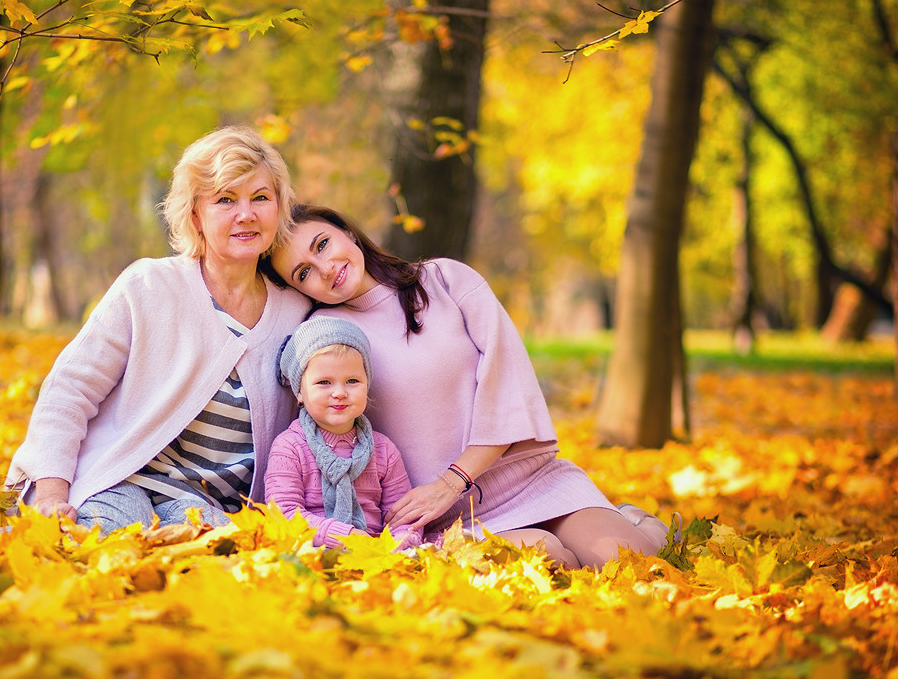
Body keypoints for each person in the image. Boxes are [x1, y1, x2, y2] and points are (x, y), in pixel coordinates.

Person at [262, 204, 672, 569]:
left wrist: (452, 480)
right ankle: (615, 524)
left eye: (322, 245)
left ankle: (639, 524)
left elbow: (509, 391)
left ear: (347, 232)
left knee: (634, 565)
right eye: (303, 273)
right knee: (552, 560)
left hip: (527, 479)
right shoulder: (323, 338)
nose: (325, 268)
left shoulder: (445, 280)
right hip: (448, 518)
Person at [4, 126, 311, 535]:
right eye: (225, 199)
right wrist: (51, 496)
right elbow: (69, 390)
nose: (246, 214)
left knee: (218, 559)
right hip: (120, 478)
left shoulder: (298, 310)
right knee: (96, 541)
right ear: (196, 215)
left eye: (260, 198)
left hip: (210, 508)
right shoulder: (148, 286)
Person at [265, 317, 418, 550]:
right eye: (324, 382)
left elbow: (402, 515)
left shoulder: (384, 451)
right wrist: (347, 538)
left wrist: (398, 546)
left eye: (352, 381)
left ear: (367, 384)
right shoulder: (289, 447)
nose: (339, 392)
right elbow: (284, 514)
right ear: (300, 392)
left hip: (377, 558)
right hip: (310, 557)